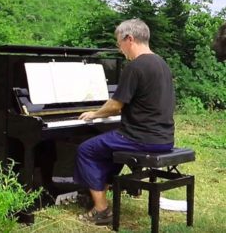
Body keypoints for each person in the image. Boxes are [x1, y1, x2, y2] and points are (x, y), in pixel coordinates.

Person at [74, 18, 176, 225]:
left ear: (129, 38)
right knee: (107, 150)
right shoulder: (161, 63)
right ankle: (99, 191)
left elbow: (115, 106)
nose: (120, 49)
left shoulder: (136, 66)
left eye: (119, 43)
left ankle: (101, 210)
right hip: (165, 138)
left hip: (141, 138)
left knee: (86, 150)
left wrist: (94, 114)